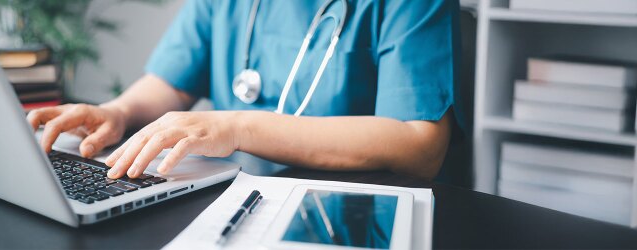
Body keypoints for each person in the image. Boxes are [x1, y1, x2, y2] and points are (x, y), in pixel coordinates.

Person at [28, 0, 462, 181]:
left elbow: (420, 144)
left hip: (343, 212)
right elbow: (173, 82)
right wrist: (119, 113)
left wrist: (238, 127)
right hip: (228, 194)